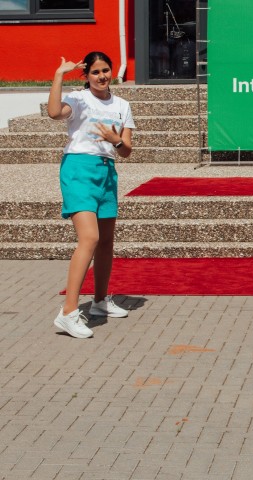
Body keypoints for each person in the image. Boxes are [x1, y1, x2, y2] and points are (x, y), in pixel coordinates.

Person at [48, 52, 135, 339]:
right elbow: (53, 113)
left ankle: (99, 301)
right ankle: (68, 312)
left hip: (107, 172)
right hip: (78, 170)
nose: (102, 76)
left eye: (105, 70)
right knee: (90, 238)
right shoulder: (79, 99)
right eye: (95, 72)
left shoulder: (122, 105)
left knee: (106, 241)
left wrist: (116, 140)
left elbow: (126, 150)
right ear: (86, 76)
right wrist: (59, 75)